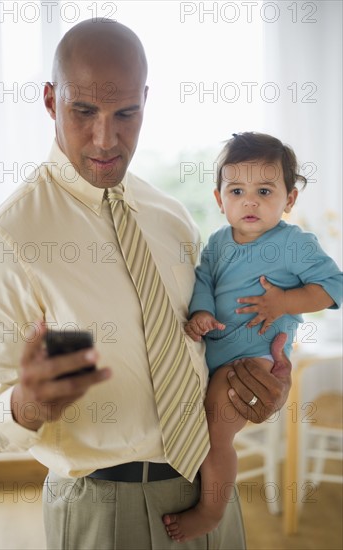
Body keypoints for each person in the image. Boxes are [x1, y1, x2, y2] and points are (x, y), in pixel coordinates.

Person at [0, 22, 292, 550]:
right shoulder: (9, 240)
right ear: (51, 101)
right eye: (84, 112)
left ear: (145, 101)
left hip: (213, 493)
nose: (106, 138)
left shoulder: (170, 217)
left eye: (125, 113)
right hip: (103, 511)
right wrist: (25, 406)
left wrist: (262, 387)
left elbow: (207, 345)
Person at [163, 132, 343, 542]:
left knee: (216, 434)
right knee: (194, 427)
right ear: (219, 198)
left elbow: (334, 286)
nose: (250, 201)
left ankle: (211, 511)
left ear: (289, 199)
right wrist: (203, 311)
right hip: (213, 356)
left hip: (254, 360)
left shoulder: (294, 244)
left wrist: (284, 302)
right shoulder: (217, 243)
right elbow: (204, 279)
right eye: (237, 190)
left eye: (264, 190)